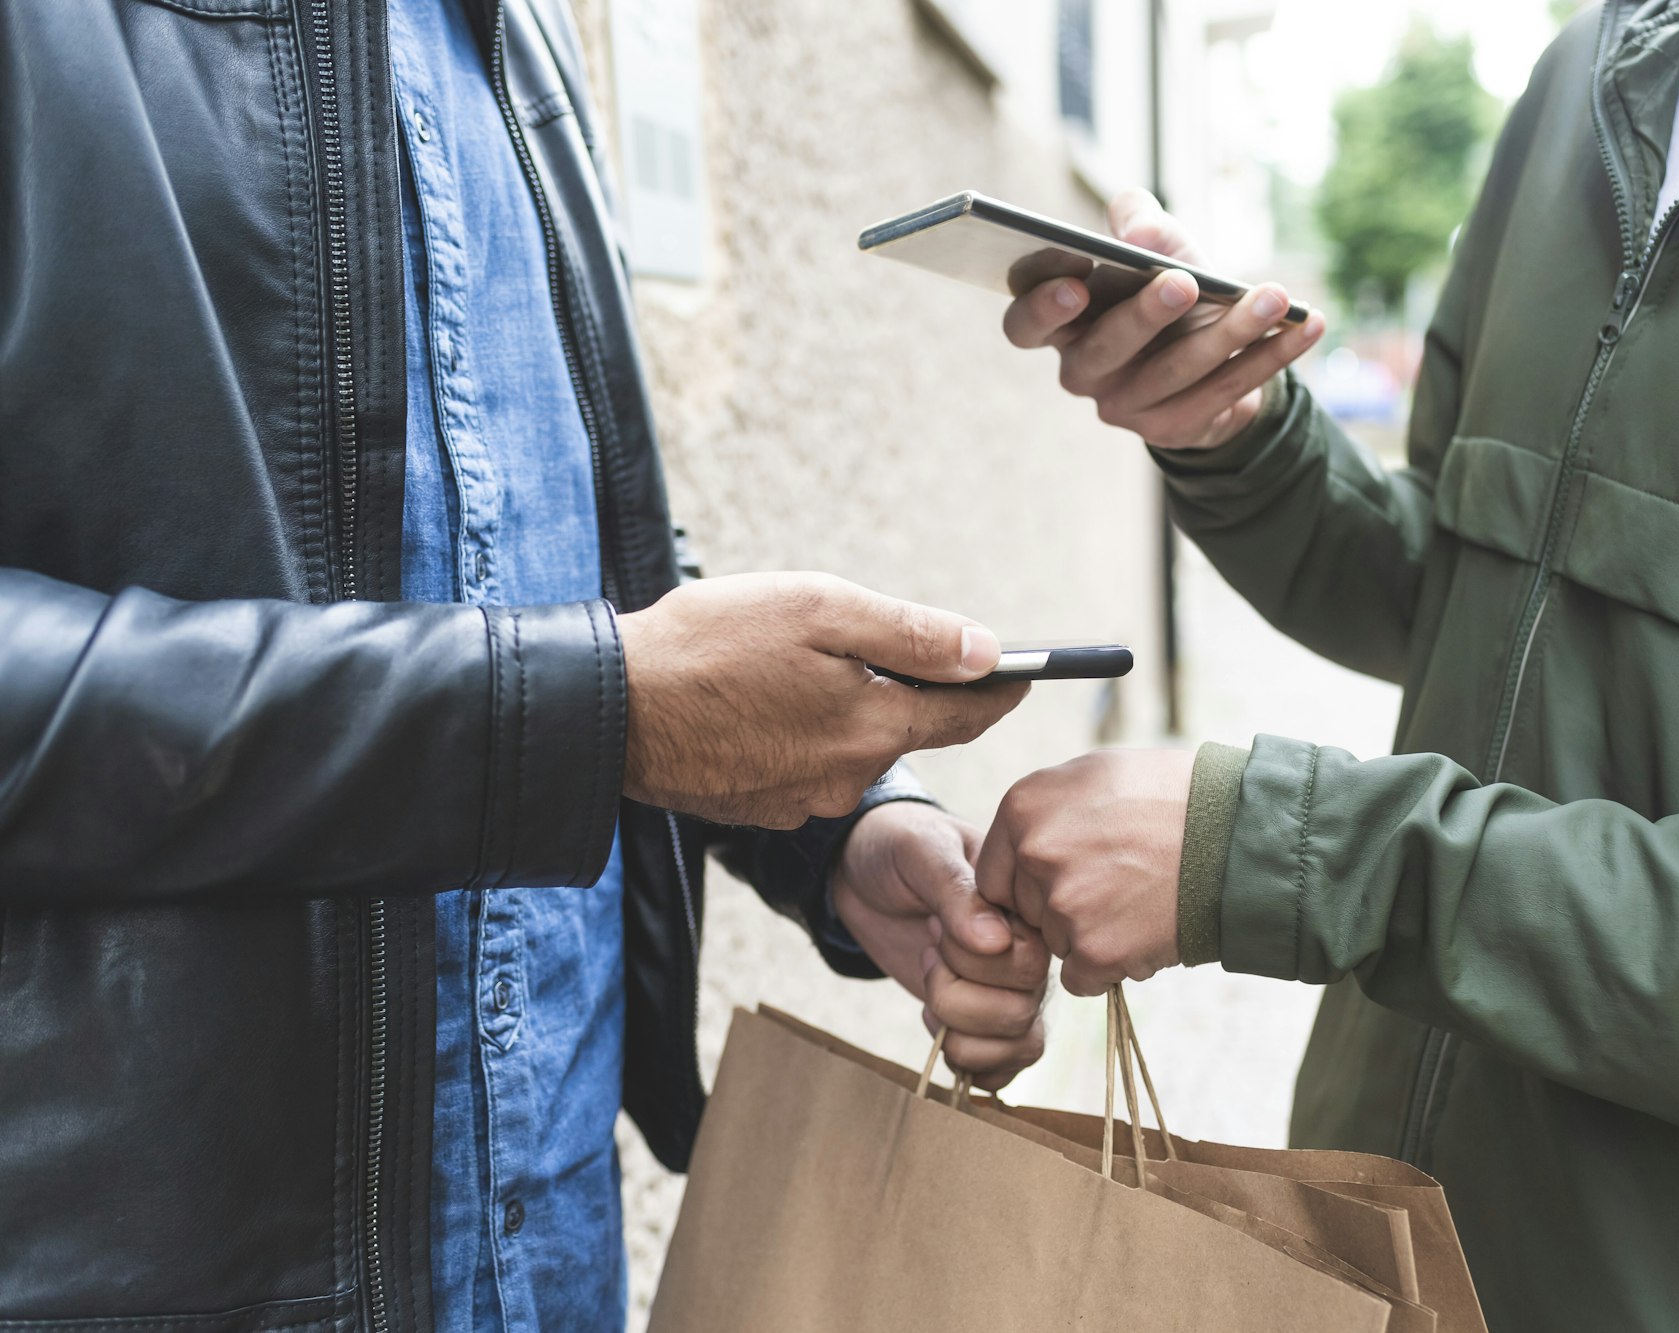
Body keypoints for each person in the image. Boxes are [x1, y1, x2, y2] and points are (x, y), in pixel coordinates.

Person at [0, 1, 1048, 1329]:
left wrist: (835, 826)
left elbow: (561, 565)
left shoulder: (511, 32)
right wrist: (597, 718)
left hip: (547, 1260)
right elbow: (578, 687)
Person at [970, 1, 1679, 1328]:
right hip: (1380, 1237)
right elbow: (1454, 594)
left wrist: (1305, 855)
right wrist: (1239, 436)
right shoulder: (1590, 76)